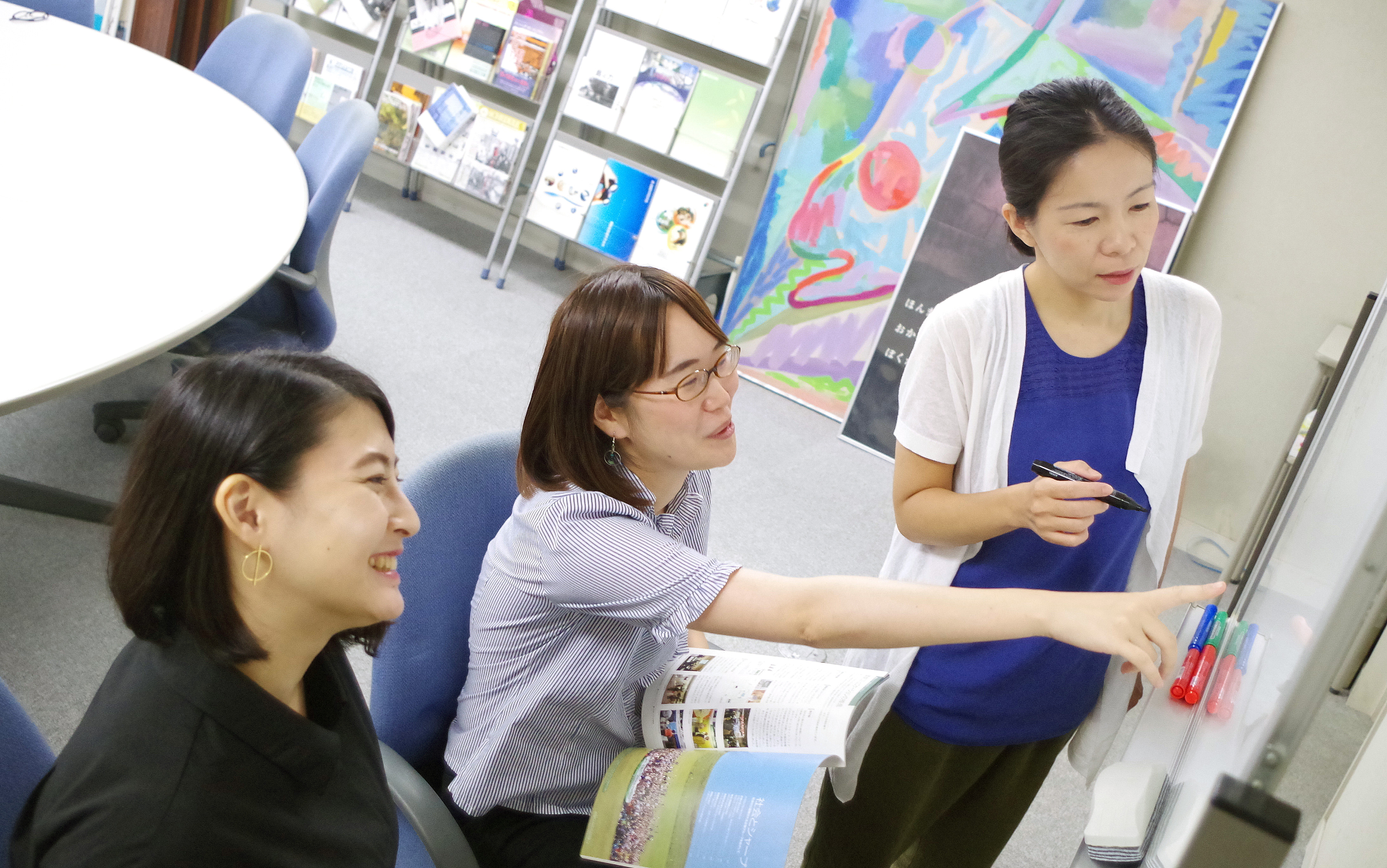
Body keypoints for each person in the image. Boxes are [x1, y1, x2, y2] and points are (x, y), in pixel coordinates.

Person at [441, 263, 1223, 868]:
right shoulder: (574, 533)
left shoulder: (680, 474)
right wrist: (1055, 609)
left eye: (720, 362)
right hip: (527, 809)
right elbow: (808, 615)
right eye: (687, 381)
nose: (721, 396)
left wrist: (714, 681)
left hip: (626, 765)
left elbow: (671, 609)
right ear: (607, 412)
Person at [801, 78, 1223, 868]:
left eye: (1141, 205)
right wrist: (1021, 505)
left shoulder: (1189, 318)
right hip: (942, 673)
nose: (1124, 240)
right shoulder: (966, 328)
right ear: (1021, 223)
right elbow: (916, 508)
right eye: (1086, 219)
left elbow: (1167, 491)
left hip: (1063, 677)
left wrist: (1140, 620)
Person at [11, 352, 420, 867]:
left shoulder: (292, 636)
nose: (410, 518)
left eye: (395, 478)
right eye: (374, 480)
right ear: (248, 513)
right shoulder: (156, 836)